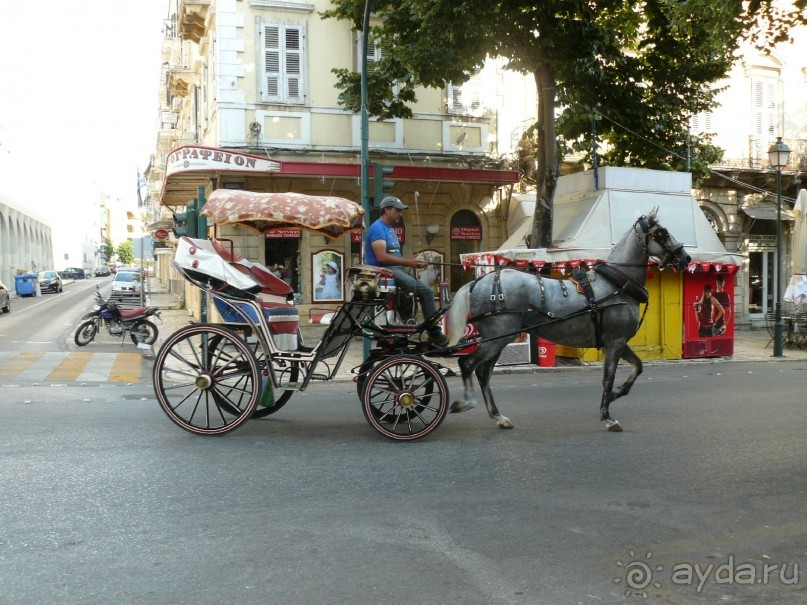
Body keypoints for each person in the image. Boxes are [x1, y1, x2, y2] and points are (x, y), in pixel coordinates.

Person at [365, 196, 449, 347]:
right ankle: (406, 320)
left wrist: (412, 261)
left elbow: (394, 256)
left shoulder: (391, 230)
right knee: (410, 283)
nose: (400, 214)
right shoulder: (377, 228)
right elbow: (382, 257)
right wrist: (409, 262)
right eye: (397, 210)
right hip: (383, 270)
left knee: (427, 292)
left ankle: (434, 333)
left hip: (396, 269)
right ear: (386, 210)